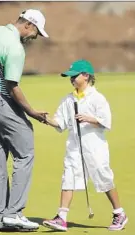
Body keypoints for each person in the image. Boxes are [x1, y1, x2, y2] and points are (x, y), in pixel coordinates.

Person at [0, 9, 49, 231]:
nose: (34, 37)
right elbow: (12, 86)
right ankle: (14, 213)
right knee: (25, 150)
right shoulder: (15, 47)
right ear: (29, 26)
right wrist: (31, 112)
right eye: (36, 33)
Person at [42, 60, 128, 231]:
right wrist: (47, 120)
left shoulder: (98, 98)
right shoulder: (68, 99)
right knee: (69, 177)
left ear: (86, 76)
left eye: (74, 76)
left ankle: (119, 213)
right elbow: (61, 123)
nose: (71, 79)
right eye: (70, 76)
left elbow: (106, 122)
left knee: (103, 178)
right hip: (74, 146)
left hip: (95, 146)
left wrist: (90, 118)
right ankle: (61, 217)